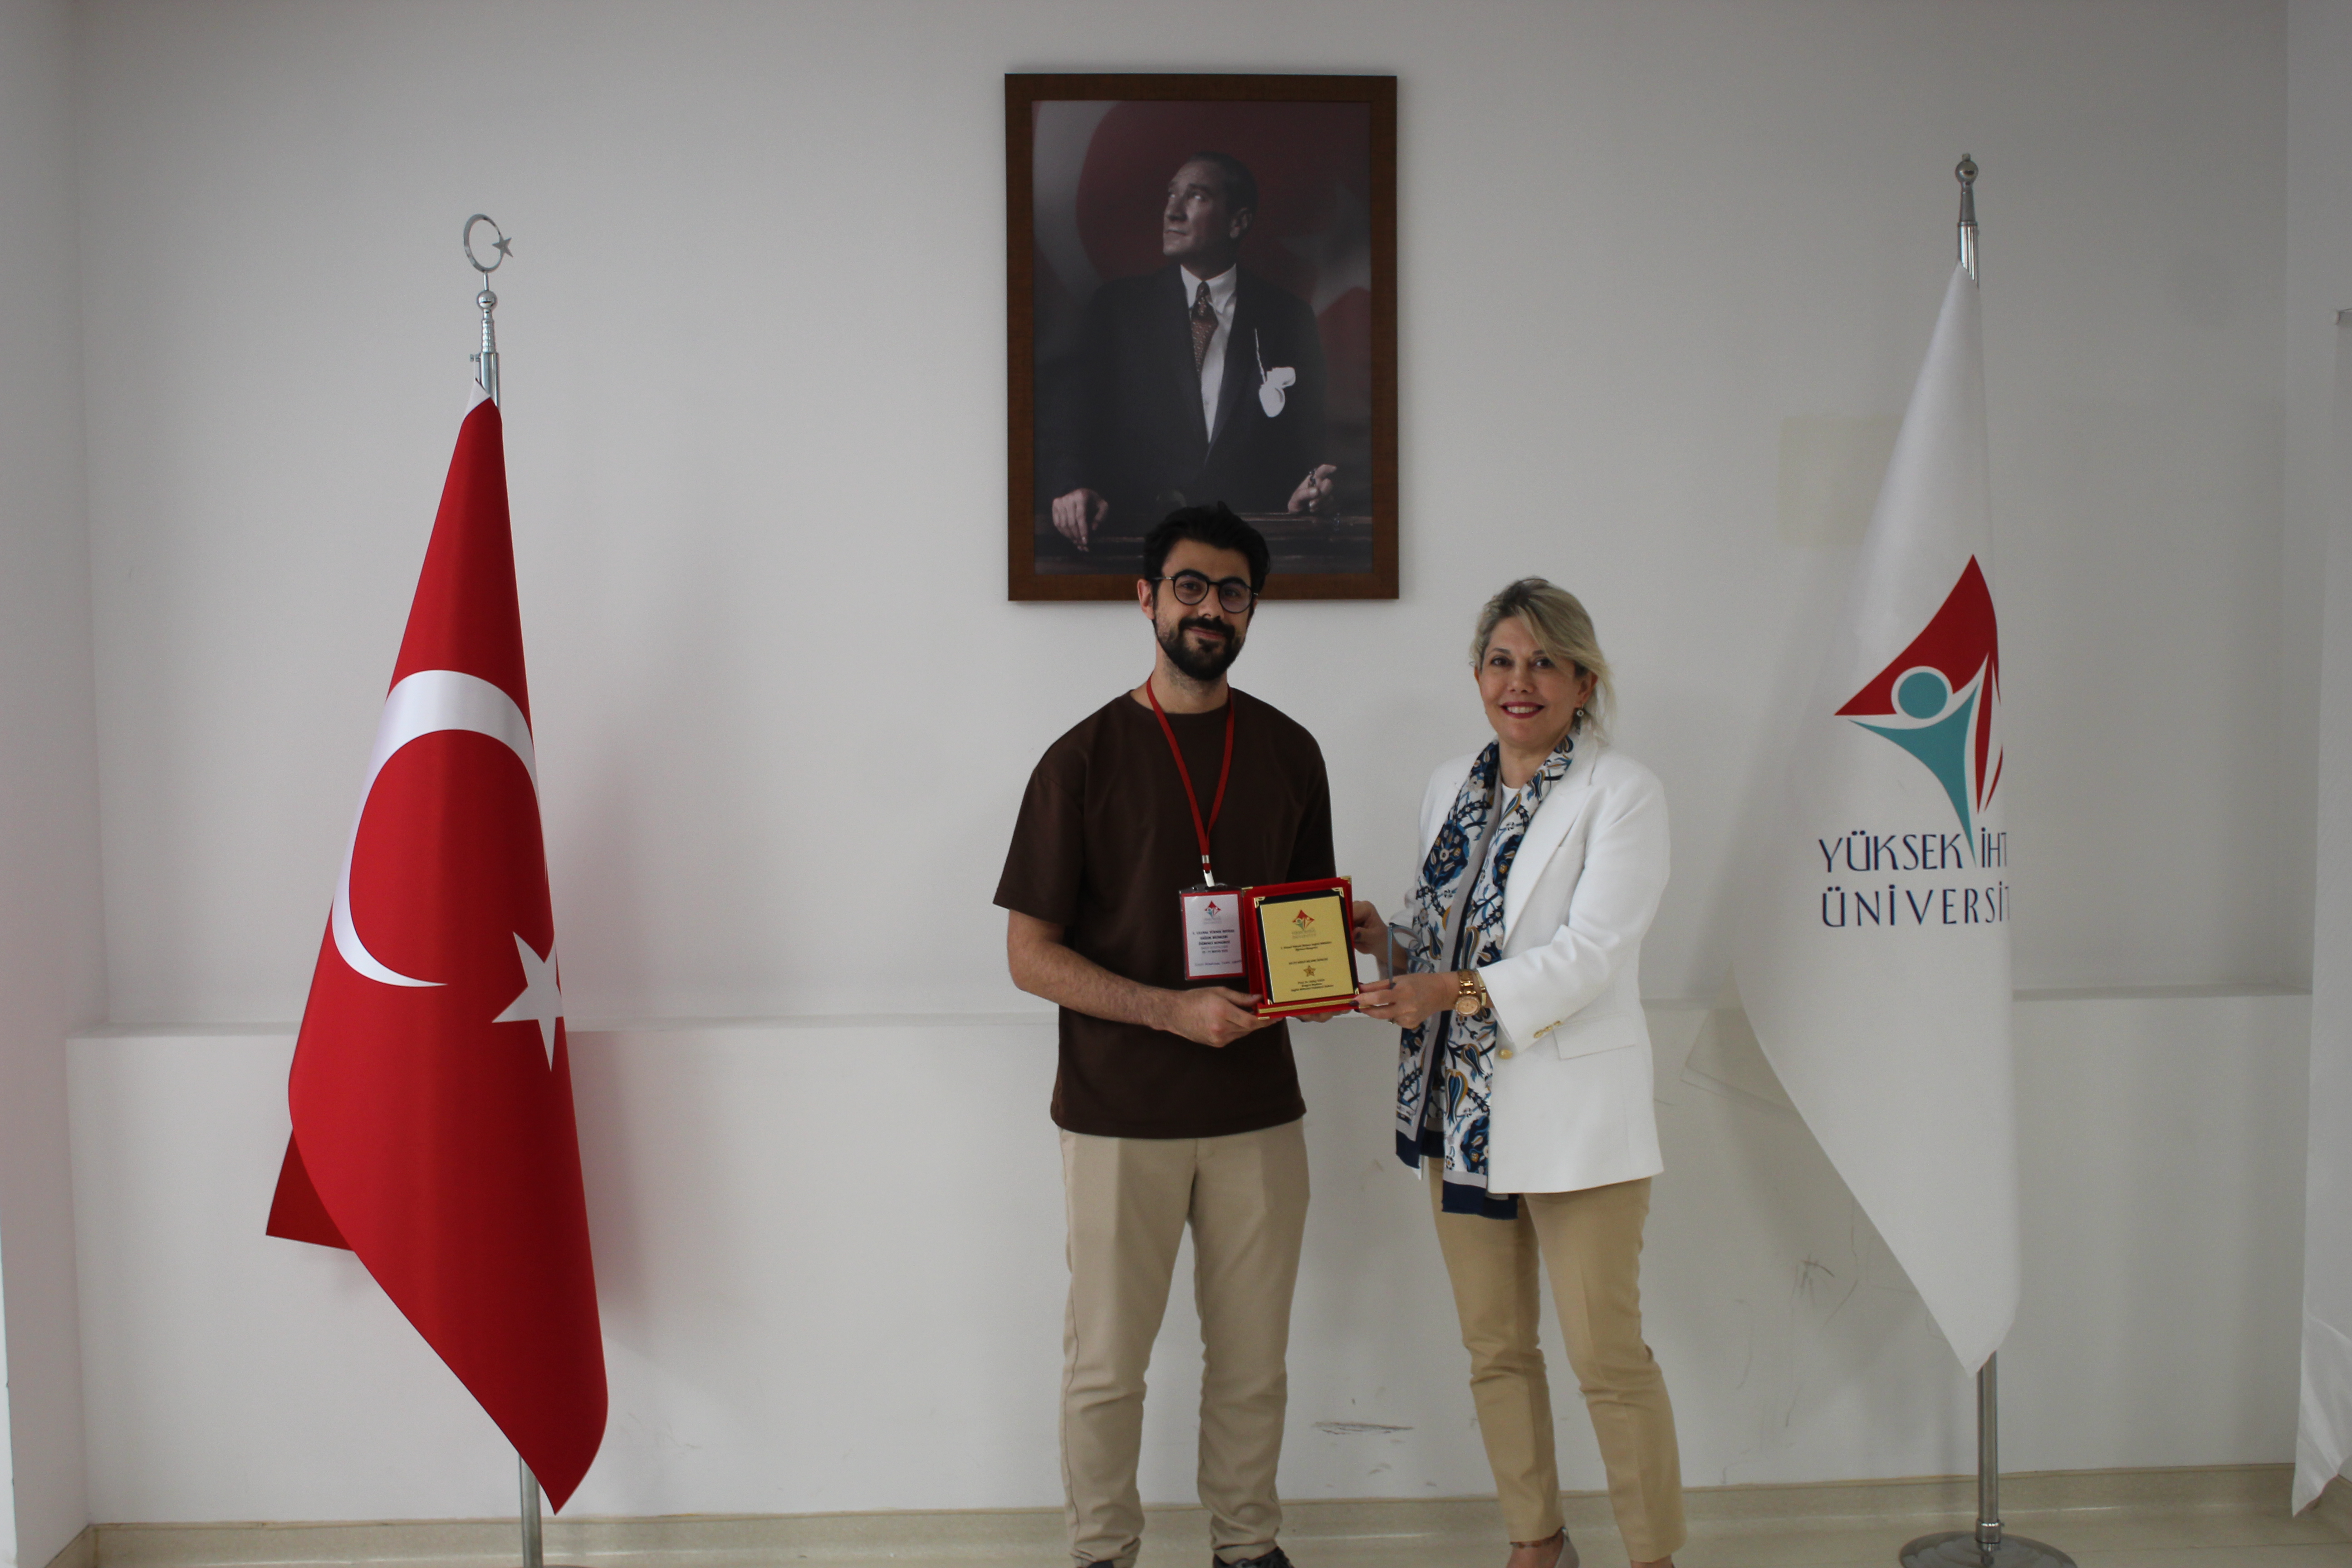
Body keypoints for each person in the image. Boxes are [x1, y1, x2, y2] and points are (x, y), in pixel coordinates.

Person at [996, 503, 1335, 1568]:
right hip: (1117, 1116)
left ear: (1251, 609)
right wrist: (1166, 1008)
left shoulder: (1290, 751)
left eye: (1232, 591)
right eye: (1189, 586)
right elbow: (1029, 955)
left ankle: (1247, 1546)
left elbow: (1298, 926)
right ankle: (1103, 1550)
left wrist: (1336, 950)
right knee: (1107, 1365)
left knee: (1253, 1365)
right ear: (1145, 598)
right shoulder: (1080, 759)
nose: (1210, 608)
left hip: (1256, 1113)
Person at [1351, 579, 1685, 1568]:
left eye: (1544, 662)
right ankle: (1536, 1543)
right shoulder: (1448, 785)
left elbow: (1589, 956)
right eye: (1501, 660)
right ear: (1476, 676)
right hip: (1459, 1118)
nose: (1519, 681)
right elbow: (1448, 943)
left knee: (1607, 1358)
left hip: (1574, 1119)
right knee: (1495, 1349)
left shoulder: (1623, 793)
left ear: (1583, 682)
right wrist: (1382, 942)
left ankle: (1653, 1556)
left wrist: (1445, 988)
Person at [1042, 152, 1337, 554]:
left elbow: (1304, 448)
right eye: (1171, 195)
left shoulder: (1287, 318)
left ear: (1238, 223)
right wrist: (1070, 487)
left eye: (1196, 196)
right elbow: (1070, 420)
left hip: (1243, 549)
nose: (1172, 211)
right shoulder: (1117, 309)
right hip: (1133, 546)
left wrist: (1305, 493)